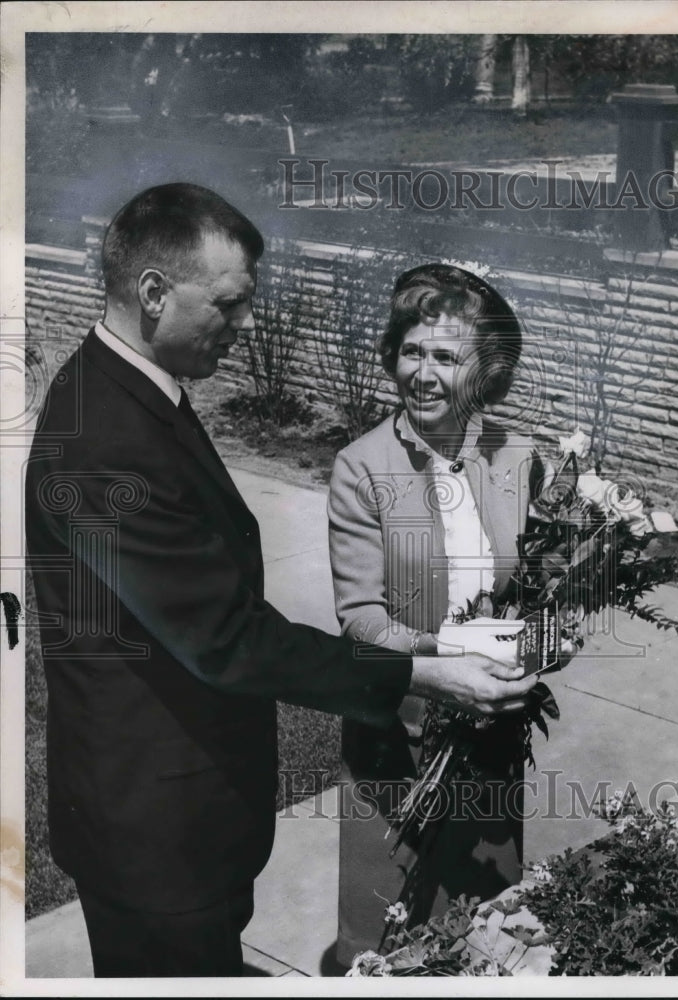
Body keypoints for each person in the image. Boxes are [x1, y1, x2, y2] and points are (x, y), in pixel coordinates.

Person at [25, 187, 538, 978]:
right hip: (152, 831)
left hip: (176, 816)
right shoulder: (105, 441)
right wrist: (425, 673)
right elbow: (228, 640)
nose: (251, 324)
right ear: (155, 293)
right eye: (231, 304)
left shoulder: (132, 391)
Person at [327, 263, 537, 968]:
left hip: (491, 741)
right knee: (388, 940)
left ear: (485, 373)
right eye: (411, 351)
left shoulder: (514, 460)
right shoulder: (362, 467)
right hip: (400, 738)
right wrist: (448, 664)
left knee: (489, 929)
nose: (421, 371)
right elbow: (361, 618)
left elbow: (534, 586)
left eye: (445, 357)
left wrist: (537, 645)